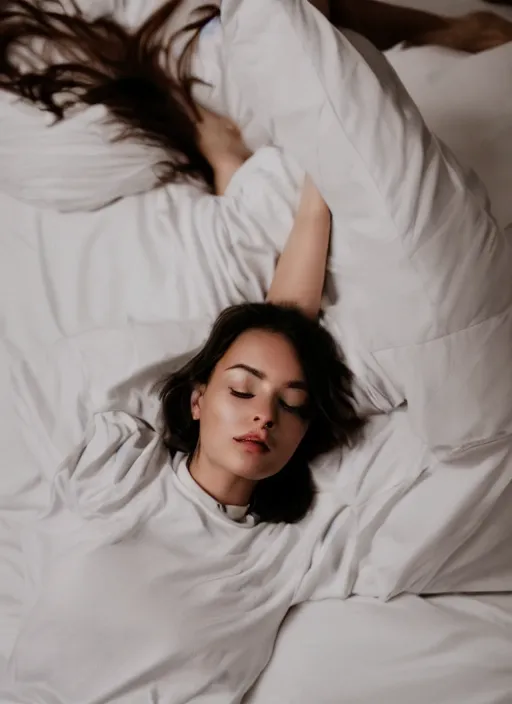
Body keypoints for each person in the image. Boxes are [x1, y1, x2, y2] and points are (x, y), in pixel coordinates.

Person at [4, 114, 365, 704]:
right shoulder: (120, 474)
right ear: (198, 400)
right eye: (240, 393)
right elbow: (260, 342)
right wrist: (313, 206)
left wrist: (318, 201)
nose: (264, 416)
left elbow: (275, 357)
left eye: (292, 405)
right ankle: (226, 174)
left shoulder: (286, 550)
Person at [2, 0, 512, 195]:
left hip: (200, 53)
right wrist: (209, 141)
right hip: (216, 97)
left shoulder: (37, 24)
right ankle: (455, 32)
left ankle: (455, 29)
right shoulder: (25, 135)